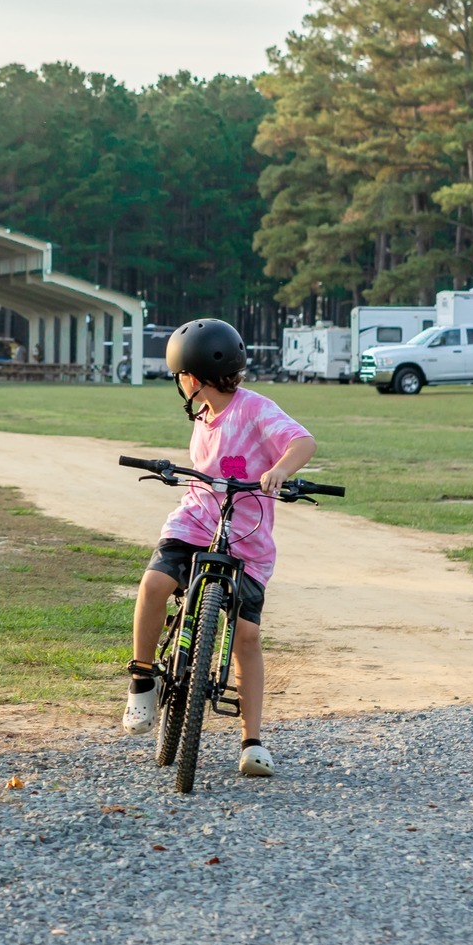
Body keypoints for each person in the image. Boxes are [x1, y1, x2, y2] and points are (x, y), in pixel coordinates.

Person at [122, 318, 315, 779]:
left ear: (191, 377)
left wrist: (280, 471)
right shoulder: (204, 415)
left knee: (246, 636)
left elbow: (302, 441)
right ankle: (142, 678)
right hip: (194, 522)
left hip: (247, 537)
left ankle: (252, 741)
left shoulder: (255, 408)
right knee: (153, 584)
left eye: (179, 376)